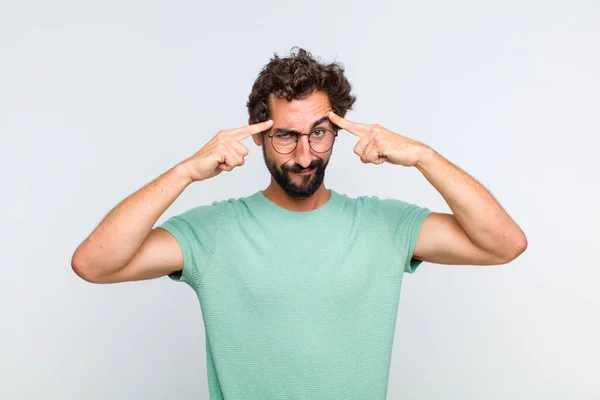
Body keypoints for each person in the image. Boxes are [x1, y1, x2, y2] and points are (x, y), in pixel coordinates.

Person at [71, 47, 527, 399]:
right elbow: (94, 263)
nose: (305, 155)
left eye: (319, 133)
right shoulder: (214, 232)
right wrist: (186, 171)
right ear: (258, 130)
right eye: (286, 135)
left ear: (338, 130)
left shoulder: (383, 226)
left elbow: (503, 244)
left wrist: (424, 158)